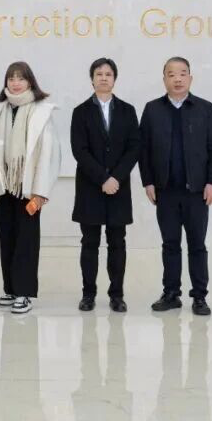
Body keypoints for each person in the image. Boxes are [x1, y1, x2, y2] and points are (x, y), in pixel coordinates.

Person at [138, 57, 212, 316]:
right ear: (164, 79)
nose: (177, 79)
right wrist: (148, 181)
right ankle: (171, 293)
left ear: (190, 78)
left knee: (197, 245)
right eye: (171, 74)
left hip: (197, 192)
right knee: (170, 244)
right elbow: (143, 150)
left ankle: (199, 296)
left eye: (182, 73)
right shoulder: (152, 109)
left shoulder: (205, 109)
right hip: (165, 191)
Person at [0, 61, 60, 315]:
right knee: (7, 237)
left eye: (21, 78)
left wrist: (40, 192)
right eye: (11, 78)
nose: (15, 83)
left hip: (28, 188)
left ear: (30, 82)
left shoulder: (41, 111)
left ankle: (24, 292)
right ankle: (11, 289)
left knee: (26, 240)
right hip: (4, 186)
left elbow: (49, 152)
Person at [70, 58, 141, 313]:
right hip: (90, 187)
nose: (103, 77)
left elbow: (134, 148)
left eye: (108, 74)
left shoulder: (127, 110)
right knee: (89, 242)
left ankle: (116, 295)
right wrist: (102, 178)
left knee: (117, 242)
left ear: (114, 79)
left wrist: (115, 178)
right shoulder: (80, 111)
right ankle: (88, 294)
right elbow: (79, 150)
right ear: (92, 79)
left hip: (118, 188)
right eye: (98, 74)